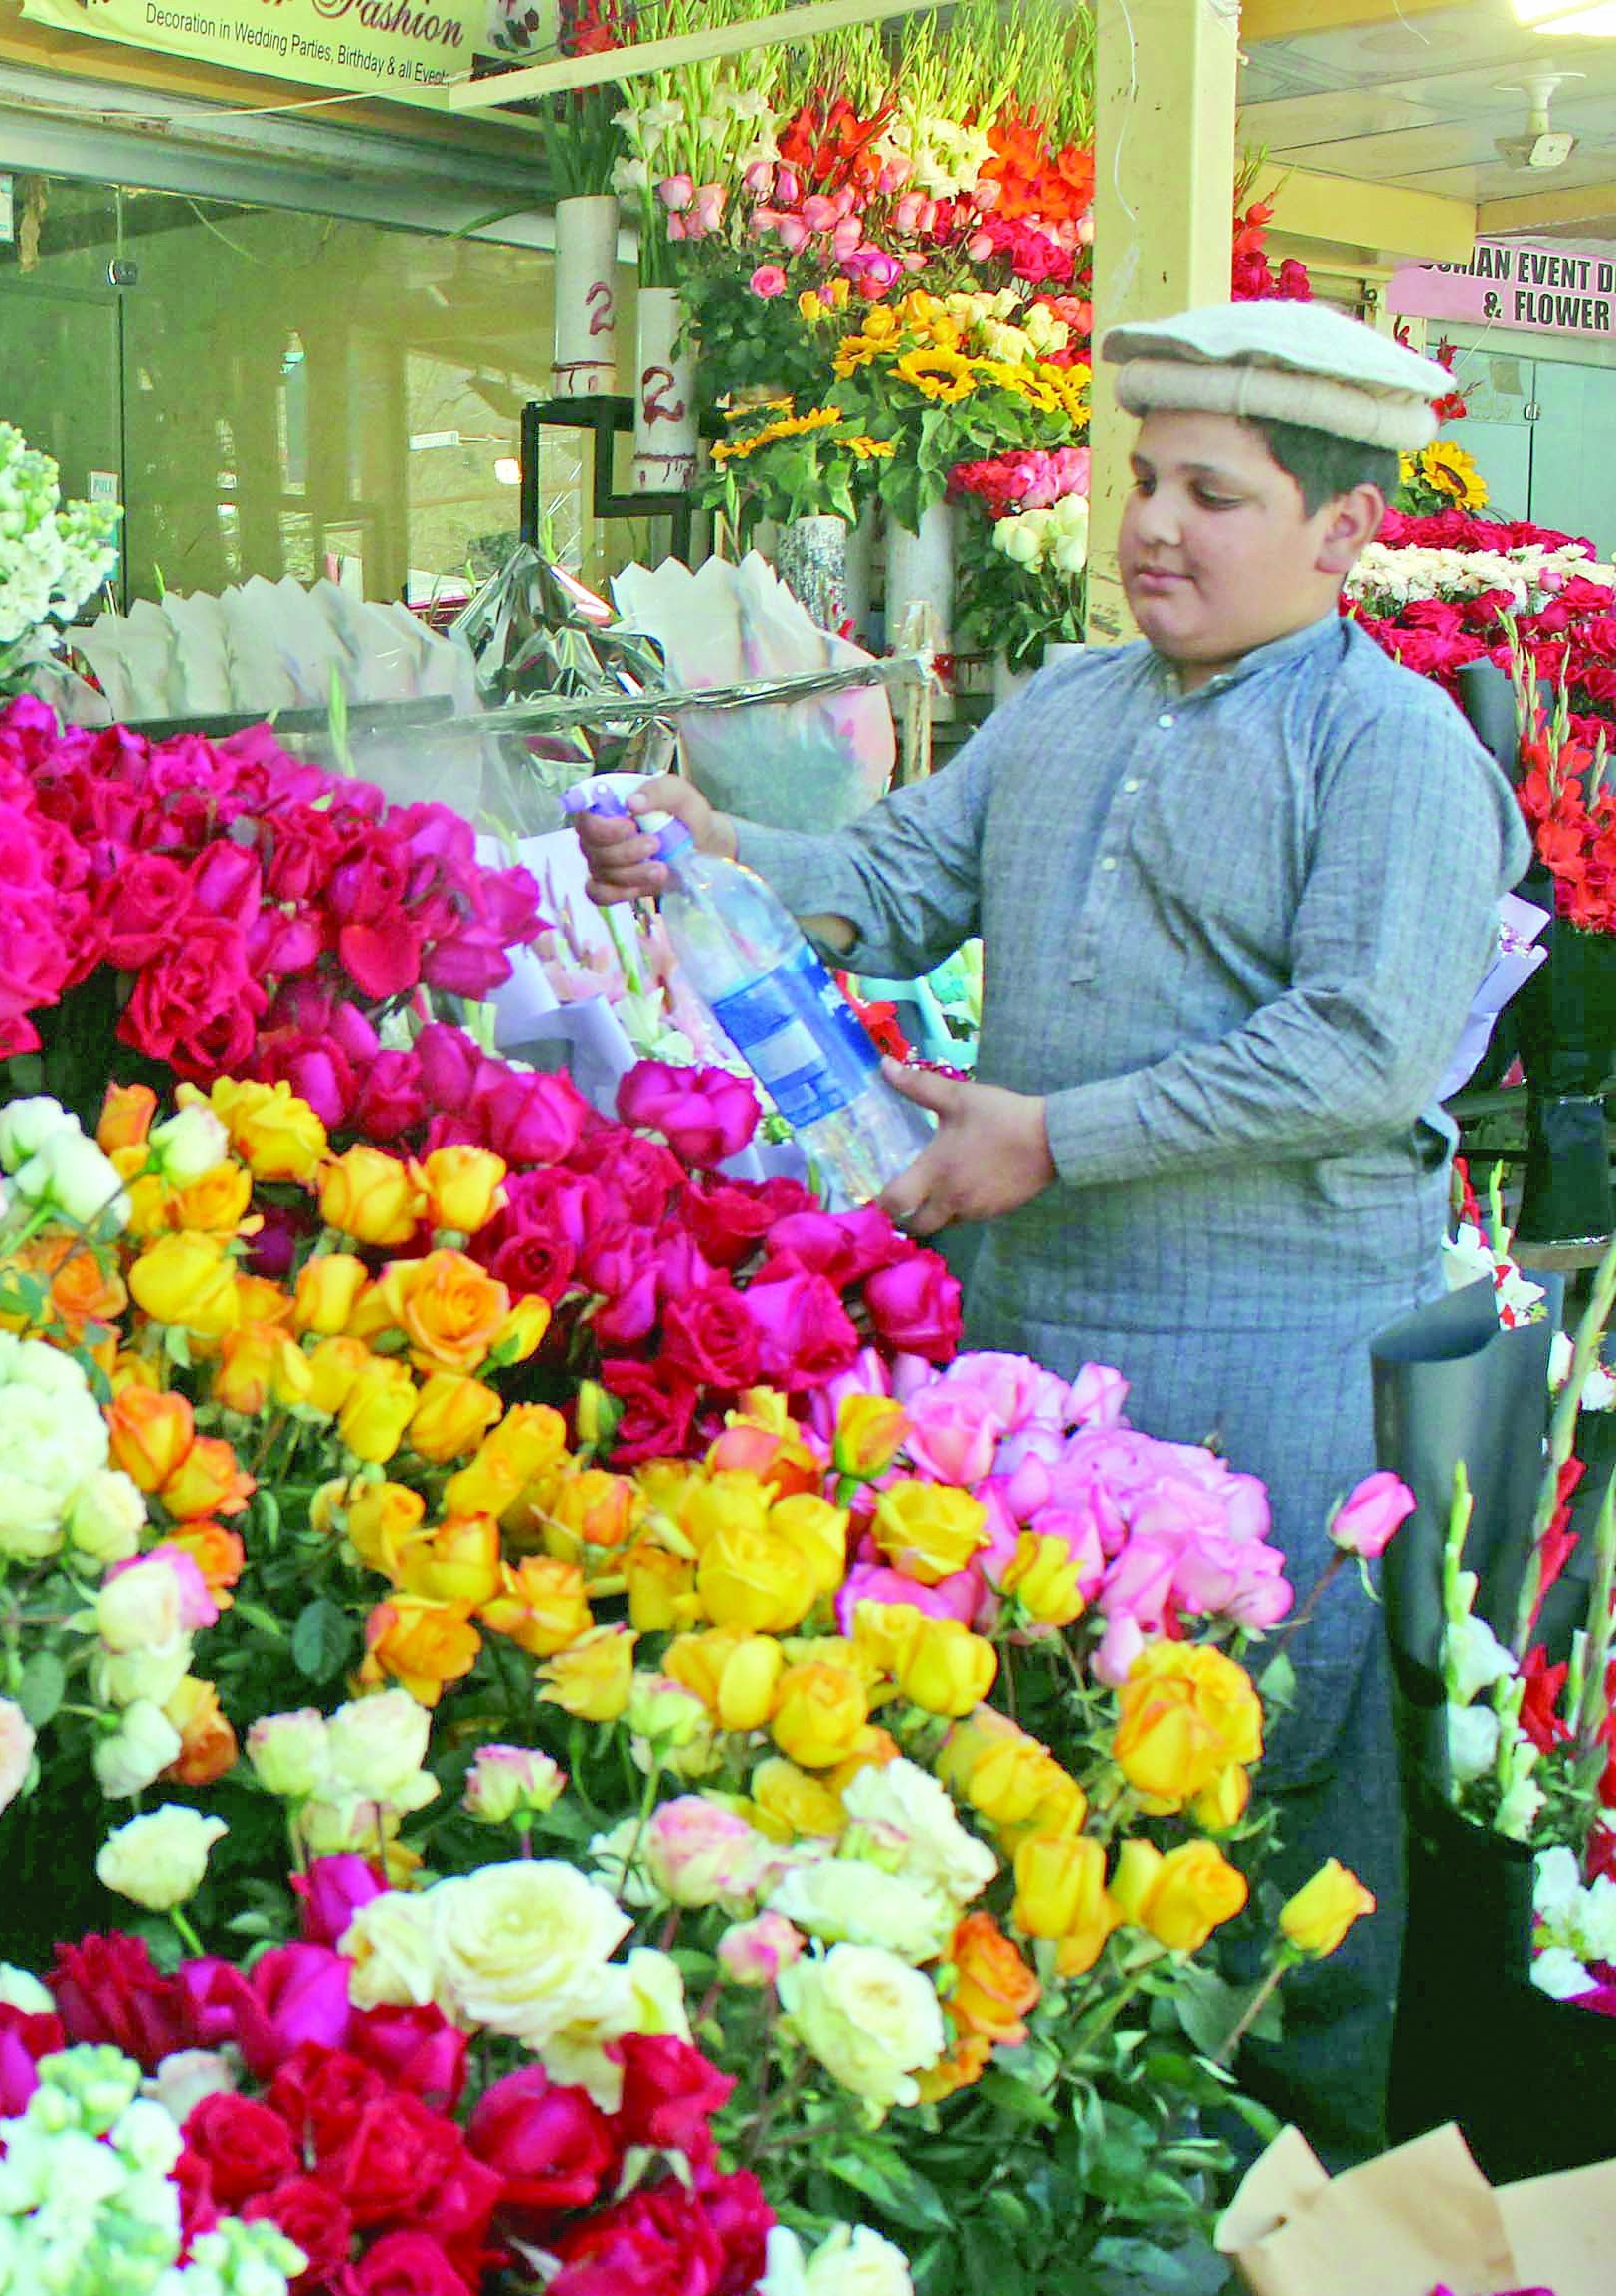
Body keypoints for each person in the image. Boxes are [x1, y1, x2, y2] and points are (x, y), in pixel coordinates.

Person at [575, 299, 1529, 2167]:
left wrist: (1055, 1138)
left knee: (1261, 1807)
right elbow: (906, 884)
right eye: (1144, 482)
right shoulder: (1071, 704)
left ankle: (1294, 2239)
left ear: (1341, 534)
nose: (1156, 527)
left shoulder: (1395, 747)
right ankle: (1063, 2212)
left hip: (1278, 1369)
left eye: (1215, 496)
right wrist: (716, 853)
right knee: (1039, 1786)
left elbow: (1365, 1043)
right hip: (1038, 1348)